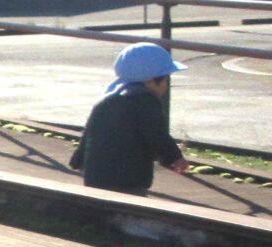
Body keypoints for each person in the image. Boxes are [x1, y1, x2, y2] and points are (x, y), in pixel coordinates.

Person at [69, 43, 189, 194]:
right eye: (165, 80)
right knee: (131, 203)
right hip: (128, 178)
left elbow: (90, 132)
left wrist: (79, 159)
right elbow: (156, 133)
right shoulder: (145, 100)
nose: (166, 86)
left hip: (96, 176)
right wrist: (174, 157)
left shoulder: (106, 100)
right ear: (149, 81)